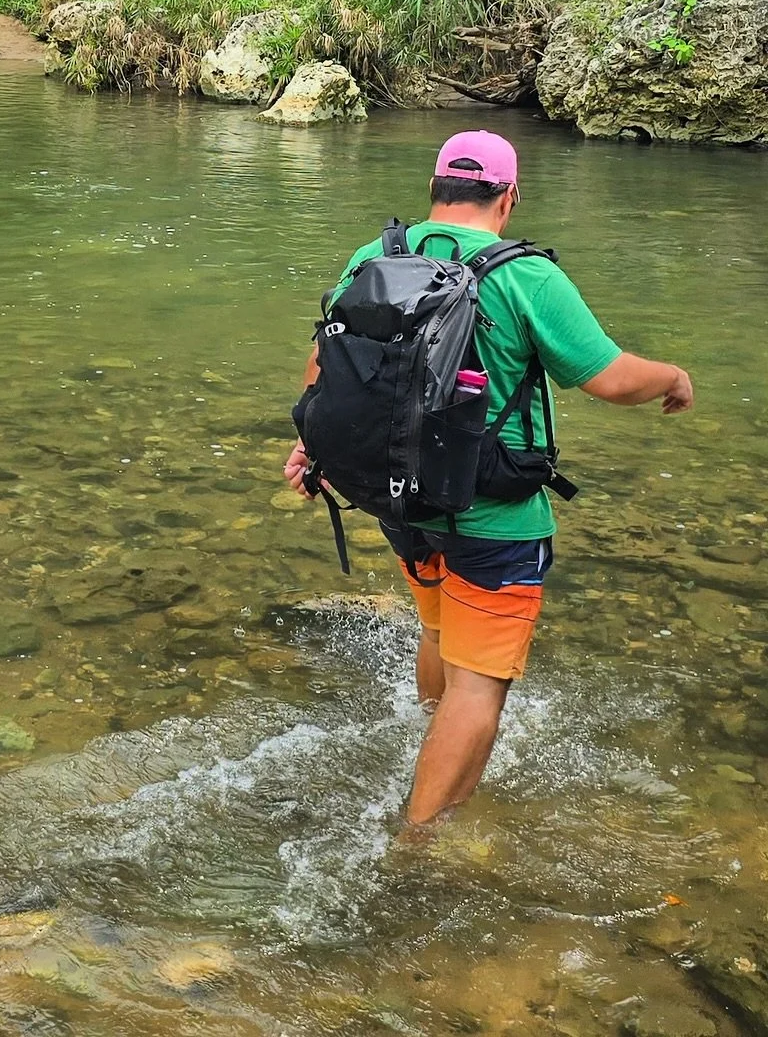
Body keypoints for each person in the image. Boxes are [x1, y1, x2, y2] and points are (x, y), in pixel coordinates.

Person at [284, 130, 693, 828]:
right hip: (494, 514)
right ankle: (416, 843)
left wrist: (306, 445)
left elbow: (329, 362)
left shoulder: (375, 256)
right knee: (479, 688)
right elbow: (613, 379)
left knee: (440, 634)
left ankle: (423, 745)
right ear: (509, 198)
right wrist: (675, 377)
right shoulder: (527, 276)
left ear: (435, 191)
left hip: (398, 500)